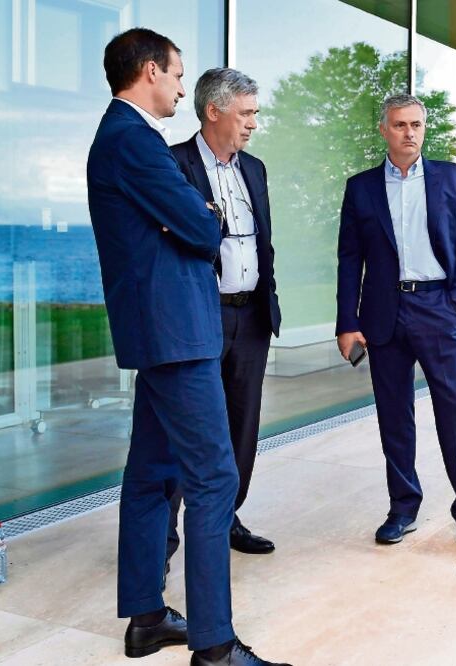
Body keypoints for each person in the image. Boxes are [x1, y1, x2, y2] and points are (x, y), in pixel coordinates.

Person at [87, 28, 289, 666]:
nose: (180, 84)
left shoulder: (125, 138)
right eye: (176, 75)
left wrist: (196, 213)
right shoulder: (134, 139)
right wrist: (201, 213)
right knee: (213, 478)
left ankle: (146, 618)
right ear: (151, 71)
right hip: (179, 334)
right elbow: (207, 228)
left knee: (151, 474)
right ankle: (215, 646)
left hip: (165, 332)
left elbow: (197, 222)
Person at [336, 93, 456, 557]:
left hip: (436, 308)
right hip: (384, 315)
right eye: (400, 125)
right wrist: (348, 321)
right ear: (384, 130)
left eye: (417, 125)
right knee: (395, 415)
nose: (409, 133)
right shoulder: (361, 188)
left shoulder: (451, 178)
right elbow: (349, 259)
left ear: (425, 128)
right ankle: (402, 507)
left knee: (453, 411)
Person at [168, 67, 281, 557]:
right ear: (214, 111)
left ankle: (225, 517)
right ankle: (166, 536)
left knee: (242, 423)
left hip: (251, 316)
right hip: (200, 317)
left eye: (255, 113)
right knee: (187, 428)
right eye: (246, 113)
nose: (253, 123)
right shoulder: (173, 165)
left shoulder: (253, 169)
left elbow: (263, 244)